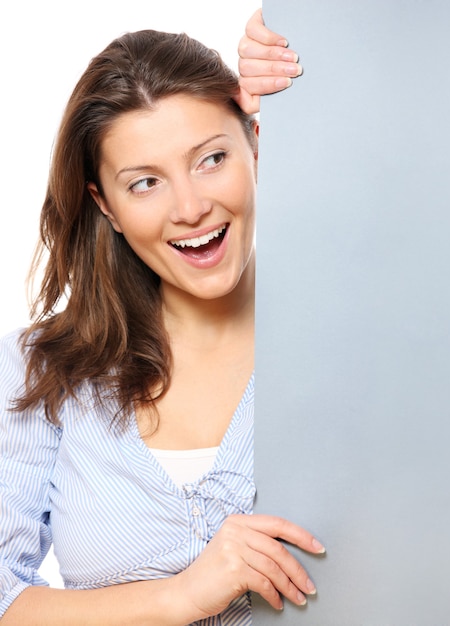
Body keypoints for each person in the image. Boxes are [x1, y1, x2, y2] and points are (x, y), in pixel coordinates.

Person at [0, 10, 323, 626]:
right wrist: (181, 596)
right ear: (107, 205)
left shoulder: (348, 344)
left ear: (256, 146)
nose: (192, 207)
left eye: (211, 159)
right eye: (145, 182)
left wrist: (306, 34)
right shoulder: (37, 371)